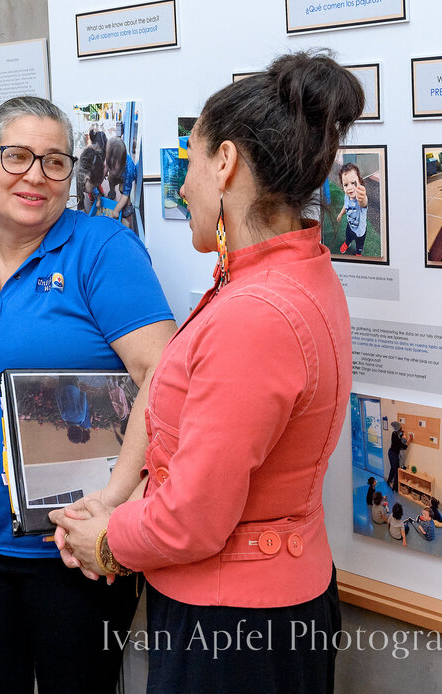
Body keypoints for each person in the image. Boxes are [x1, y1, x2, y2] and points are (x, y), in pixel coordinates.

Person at [51, 51, 365, 693]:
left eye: (189, 162)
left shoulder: (255, 311)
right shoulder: (287, 271)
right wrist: (113, 501)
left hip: (236, 632)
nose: (183, 187)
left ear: (225, 163)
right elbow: (172, 383)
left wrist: (105, 542)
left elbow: (192, 516)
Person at [0, 95, 176, 692]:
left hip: (74, 549)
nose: (36, 175)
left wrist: (112, 504)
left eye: (55, 162)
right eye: (17, 156)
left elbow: (165, 376)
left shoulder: (103, 251)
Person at [335, 162, 369, 255]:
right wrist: (341, 214)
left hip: (360, 231)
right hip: (350, 226)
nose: (349, 188)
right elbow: (346, 206)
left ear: (360, 182)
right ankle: (347, 243)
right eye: (346, 185)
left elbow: (363, 203)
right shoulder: (347, 196)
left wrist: (362, 197)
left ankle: (358, 252)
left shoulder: (360, 198)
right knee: (348, 236)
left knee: (359, 244)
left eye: (353, 183)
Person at [386, 420, 411, 494]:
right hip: (393, 454)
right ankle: (395, 487)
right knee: (396, 469)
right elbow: (404, 446)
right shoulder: (397, 438)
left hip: (391, 452)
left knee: (393, 468)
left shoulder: (394, 433)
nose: (402, 430)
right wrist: (410, 439)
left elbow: (398, 437)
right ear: (398, 430)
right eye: (401, 428)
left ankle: (389, 481)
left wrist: (401, 434)